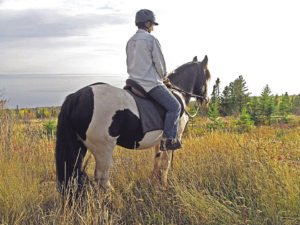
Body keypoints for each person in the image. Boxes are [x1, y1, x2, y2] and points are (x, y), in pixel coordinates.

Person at [126, 9, 181, 151]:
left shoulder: (130, 41)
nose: (153, 28)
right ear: (148, 23)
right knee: (175, 107)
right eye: (152, 25)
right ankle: (168, 139)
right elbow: (160, 65)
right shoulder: (151, 40)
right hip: (150, 84)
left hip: (132, 83)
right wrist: (164, 77)